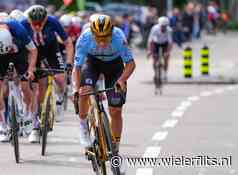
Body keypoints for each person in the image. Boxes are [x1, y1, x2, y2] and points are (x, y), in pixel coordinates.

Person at [72, 14, 136, 153]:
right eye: (98, 39)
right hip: (93, 64)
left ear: (111, 32)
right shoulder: (84, 38)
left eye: (105, 38)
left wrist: (122, 80)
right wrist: (76, 89)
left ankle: (115, 146)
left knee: (116, 109)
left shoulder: (119, 37)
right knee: (85, 90)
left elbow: (130, 64)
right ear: (92, 34)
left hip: (114, 67)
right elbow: (77, 67)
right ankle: (83, 126)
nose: (101, 43)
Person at [21, 5, 74, 143]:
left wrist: (68, 62)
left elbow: (68, 43)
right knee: (36, 90)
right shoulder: (23, 23)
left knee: (61, 78)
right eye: (34, 23)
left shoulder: (53, 21)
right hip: (33, 53)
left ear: (45, 20)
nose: (37, 26)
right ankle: (35, 126)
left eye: (40, 23)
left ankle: (59, 100)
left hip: (50, 51)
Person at [0, 19, 37, 142]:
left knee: (25, 85)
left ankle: (27, 115)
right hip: (0, 57)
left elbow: (33, 51)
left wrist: (31, 70)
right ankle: (2, 126)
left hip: (19, 54)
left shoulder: (19, 30)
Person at [147, 16, 173, 81]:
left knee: (166, 58)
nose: (163, 28)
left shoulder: (169, 30)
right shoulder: (154, 28)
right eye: (162, 26)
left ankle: (165, 73)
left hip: (165, 43)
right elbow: (150, 40)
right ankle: (155, 73)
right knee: (154, 59)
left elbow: (170, 43)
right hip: (156, 43)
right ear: (159, 25)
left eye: (165, 26)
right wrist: (149, 51)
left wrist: (168, 52)